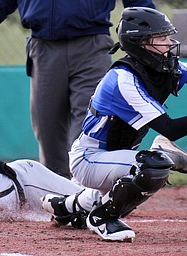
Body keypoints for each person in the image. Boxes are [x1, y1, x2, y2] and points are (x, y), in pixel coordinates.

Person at [41, 7, 187, 242]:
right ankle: (101, 218)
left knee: (139, 173)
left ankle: (65, 207)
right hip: (90, 158)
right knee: (152, 167)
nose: (170, 43)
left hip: (115, 157)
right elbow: (169, 128)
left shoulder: (161, 67)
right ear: (141, 43)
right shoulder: (123, 78)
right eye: (162, 38)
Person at [0, 0, 155, 178]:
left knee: (89, 118)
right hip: (44, 46)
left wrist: (150, 28)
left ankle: (86, 187)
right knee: (47, 124)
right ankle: (57, 186)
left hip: (92, 44)